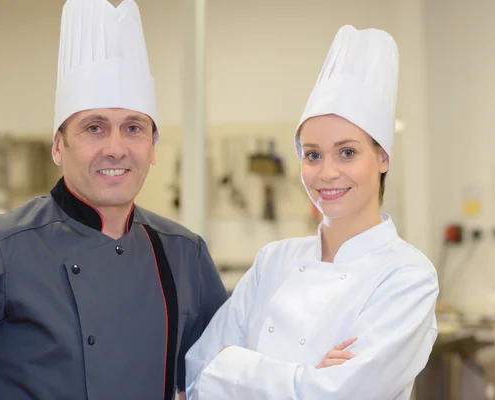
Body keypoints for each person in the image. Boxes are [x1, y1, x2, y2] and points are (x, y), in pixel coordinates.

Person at [0, 1, 228, 399]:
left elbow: (225, 375)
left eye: (133, 128)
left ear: (152, 147)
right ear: (58, 147)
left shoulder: (185, 253)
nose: (115, 149)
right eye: (94, 127)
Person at [184, 25, 439, 399]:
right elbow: (197, 374)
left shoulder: (408, 276)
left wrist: (234, 367)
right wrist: (306, 375)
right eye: (313, 155)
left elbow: (339, 395)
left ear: (382, 157)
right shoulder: (273, 260)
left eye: (347, 152)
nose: (327, 172)